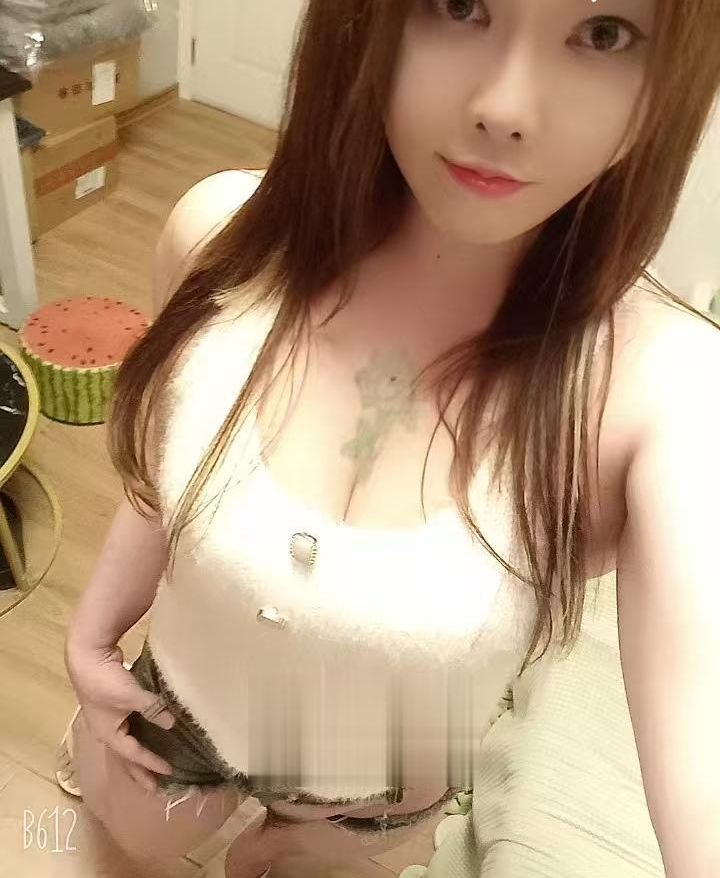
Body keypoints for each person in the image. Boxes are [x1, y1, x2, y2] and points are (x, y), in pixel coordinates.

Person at [62, 1, 720, 876]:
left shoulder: (659, 396)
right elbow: (169, 472)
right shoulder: (221, 238)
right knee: (122, 846)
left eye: (603, 33)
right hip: (174, 721)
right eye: (459, 4)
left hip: (374, 801)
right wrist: (92, 632)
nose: (506, 107)